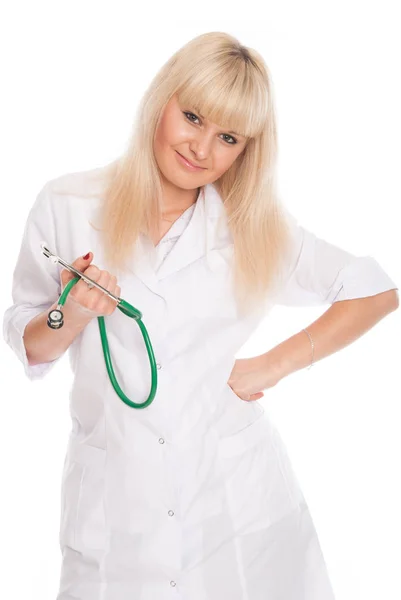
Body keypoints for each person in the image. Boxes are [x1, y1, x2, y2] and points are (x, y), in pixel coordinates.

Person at [2, 31, 399, 600]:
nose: (201, 149)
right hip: (116, 509)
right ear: (163, 100)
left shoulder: (252, 230)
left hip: (235, 504)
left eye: (228, 137)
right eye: (192, 117)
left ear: (245, 149)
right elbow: (31, 340)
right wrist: (72, 312)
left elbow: (374, 289)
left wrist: (270, 366)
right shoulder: (68, 205)